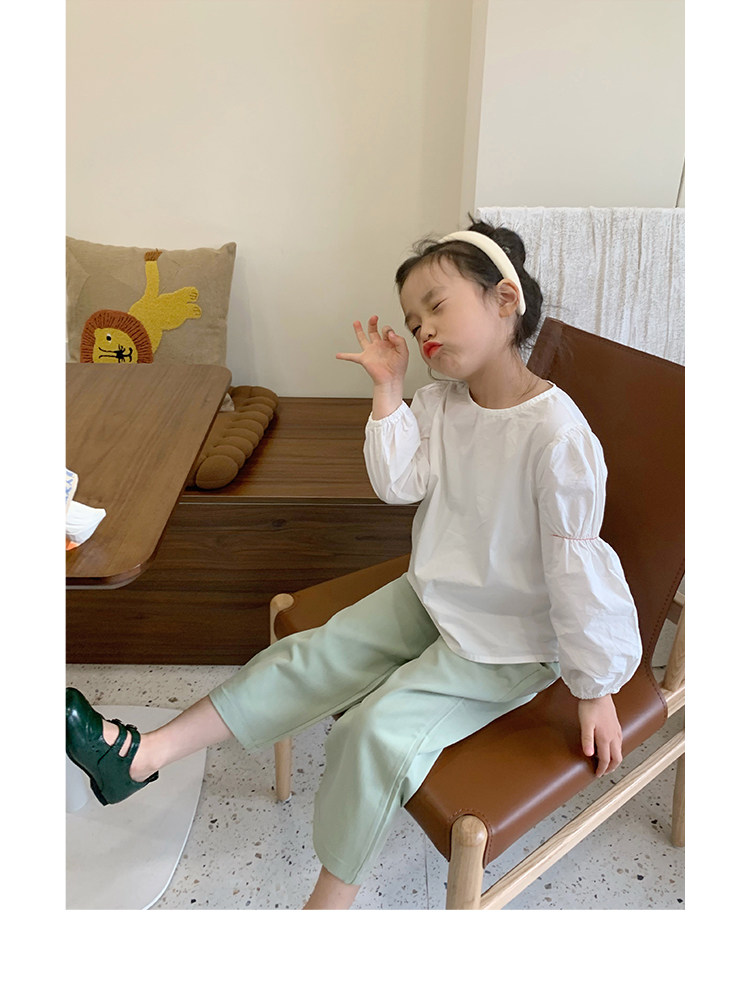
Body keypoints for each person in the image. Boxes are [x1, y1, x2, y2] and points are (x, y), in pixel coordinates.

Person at [66, 219, 641, 910]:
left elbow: (576, 570)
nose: (423, 329)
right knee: (307, 657)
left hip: (508, 640)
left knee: (371, 731)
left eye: (436, 305)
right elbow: (398, 484)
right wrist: (389, 388)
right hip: (433, 597)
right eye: (413, 319)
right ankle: (141, 756)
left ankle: (326, 910)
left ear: (504, 299)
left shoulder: (557, 435)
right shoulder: (443, 403)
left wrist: (594, 687)